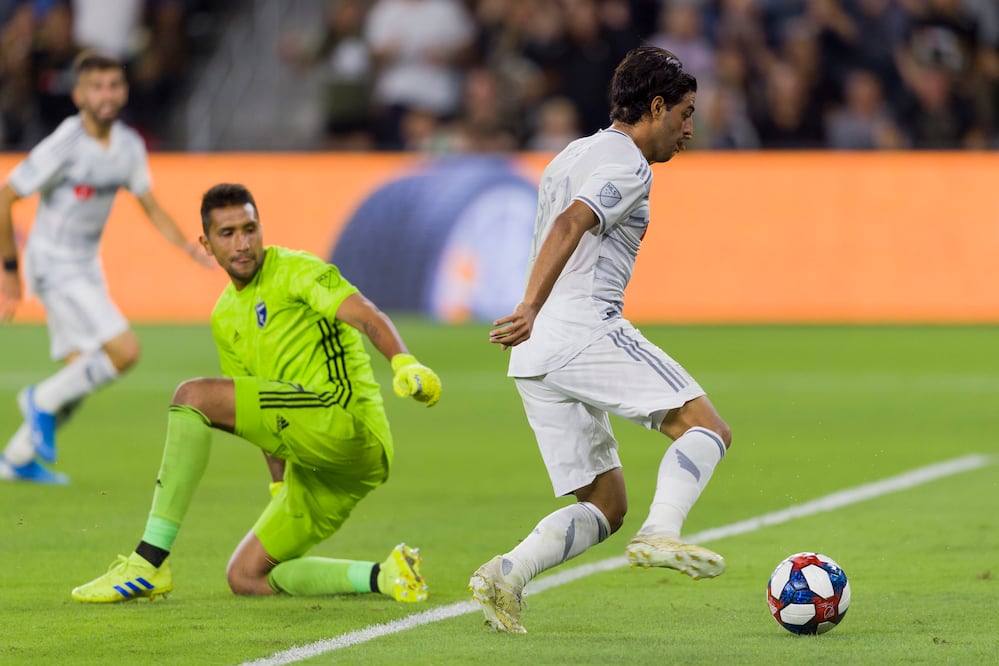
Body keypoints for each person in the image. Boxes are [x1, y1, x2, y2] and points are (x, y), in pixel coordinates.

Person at [71, 182, 442, 603]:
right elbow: (258, 409)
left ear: (261, 228)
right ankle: (387, 575)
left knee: (191, 397)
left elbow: (367, 316)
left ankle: (148, 562)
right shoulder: (224, 317)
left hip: (344, 424)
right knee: (246, 576)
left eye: (249, 229)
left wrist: (404, 362)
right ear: (206, 244)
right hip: (326, 465)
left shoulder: (296, 270)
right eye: (227, 234)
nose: (242, 243)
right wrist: (279, 485)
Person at [468, 46, 732, 634]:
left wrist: (534, 318)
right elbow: (570, 224)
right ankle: (663, 534)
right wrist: (530, 307)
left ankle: (506, 572)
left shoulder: (571, 153)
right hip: (579, 328)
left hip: (534, 356)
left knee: (605, 502)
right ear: (656, 107)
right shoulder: (629, 164)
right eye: (685, 114)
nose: (690, 129)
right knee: (707, 428)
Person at [0, 51, 213, 485]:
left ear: (125, 91)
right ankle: (37, 400)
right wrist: (9, 268)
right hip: (53, 262)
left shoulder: (129, 146)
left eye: (114, 85)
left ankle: (16, 459)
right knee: (124, 351)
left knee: (81, 375)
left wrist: (188, 246)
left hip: (86, 265)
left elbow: (150, 205)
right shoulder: (66, 141)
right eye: (97, 86)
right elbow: (6, 195)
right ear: (78, 95)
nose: (107, 94)